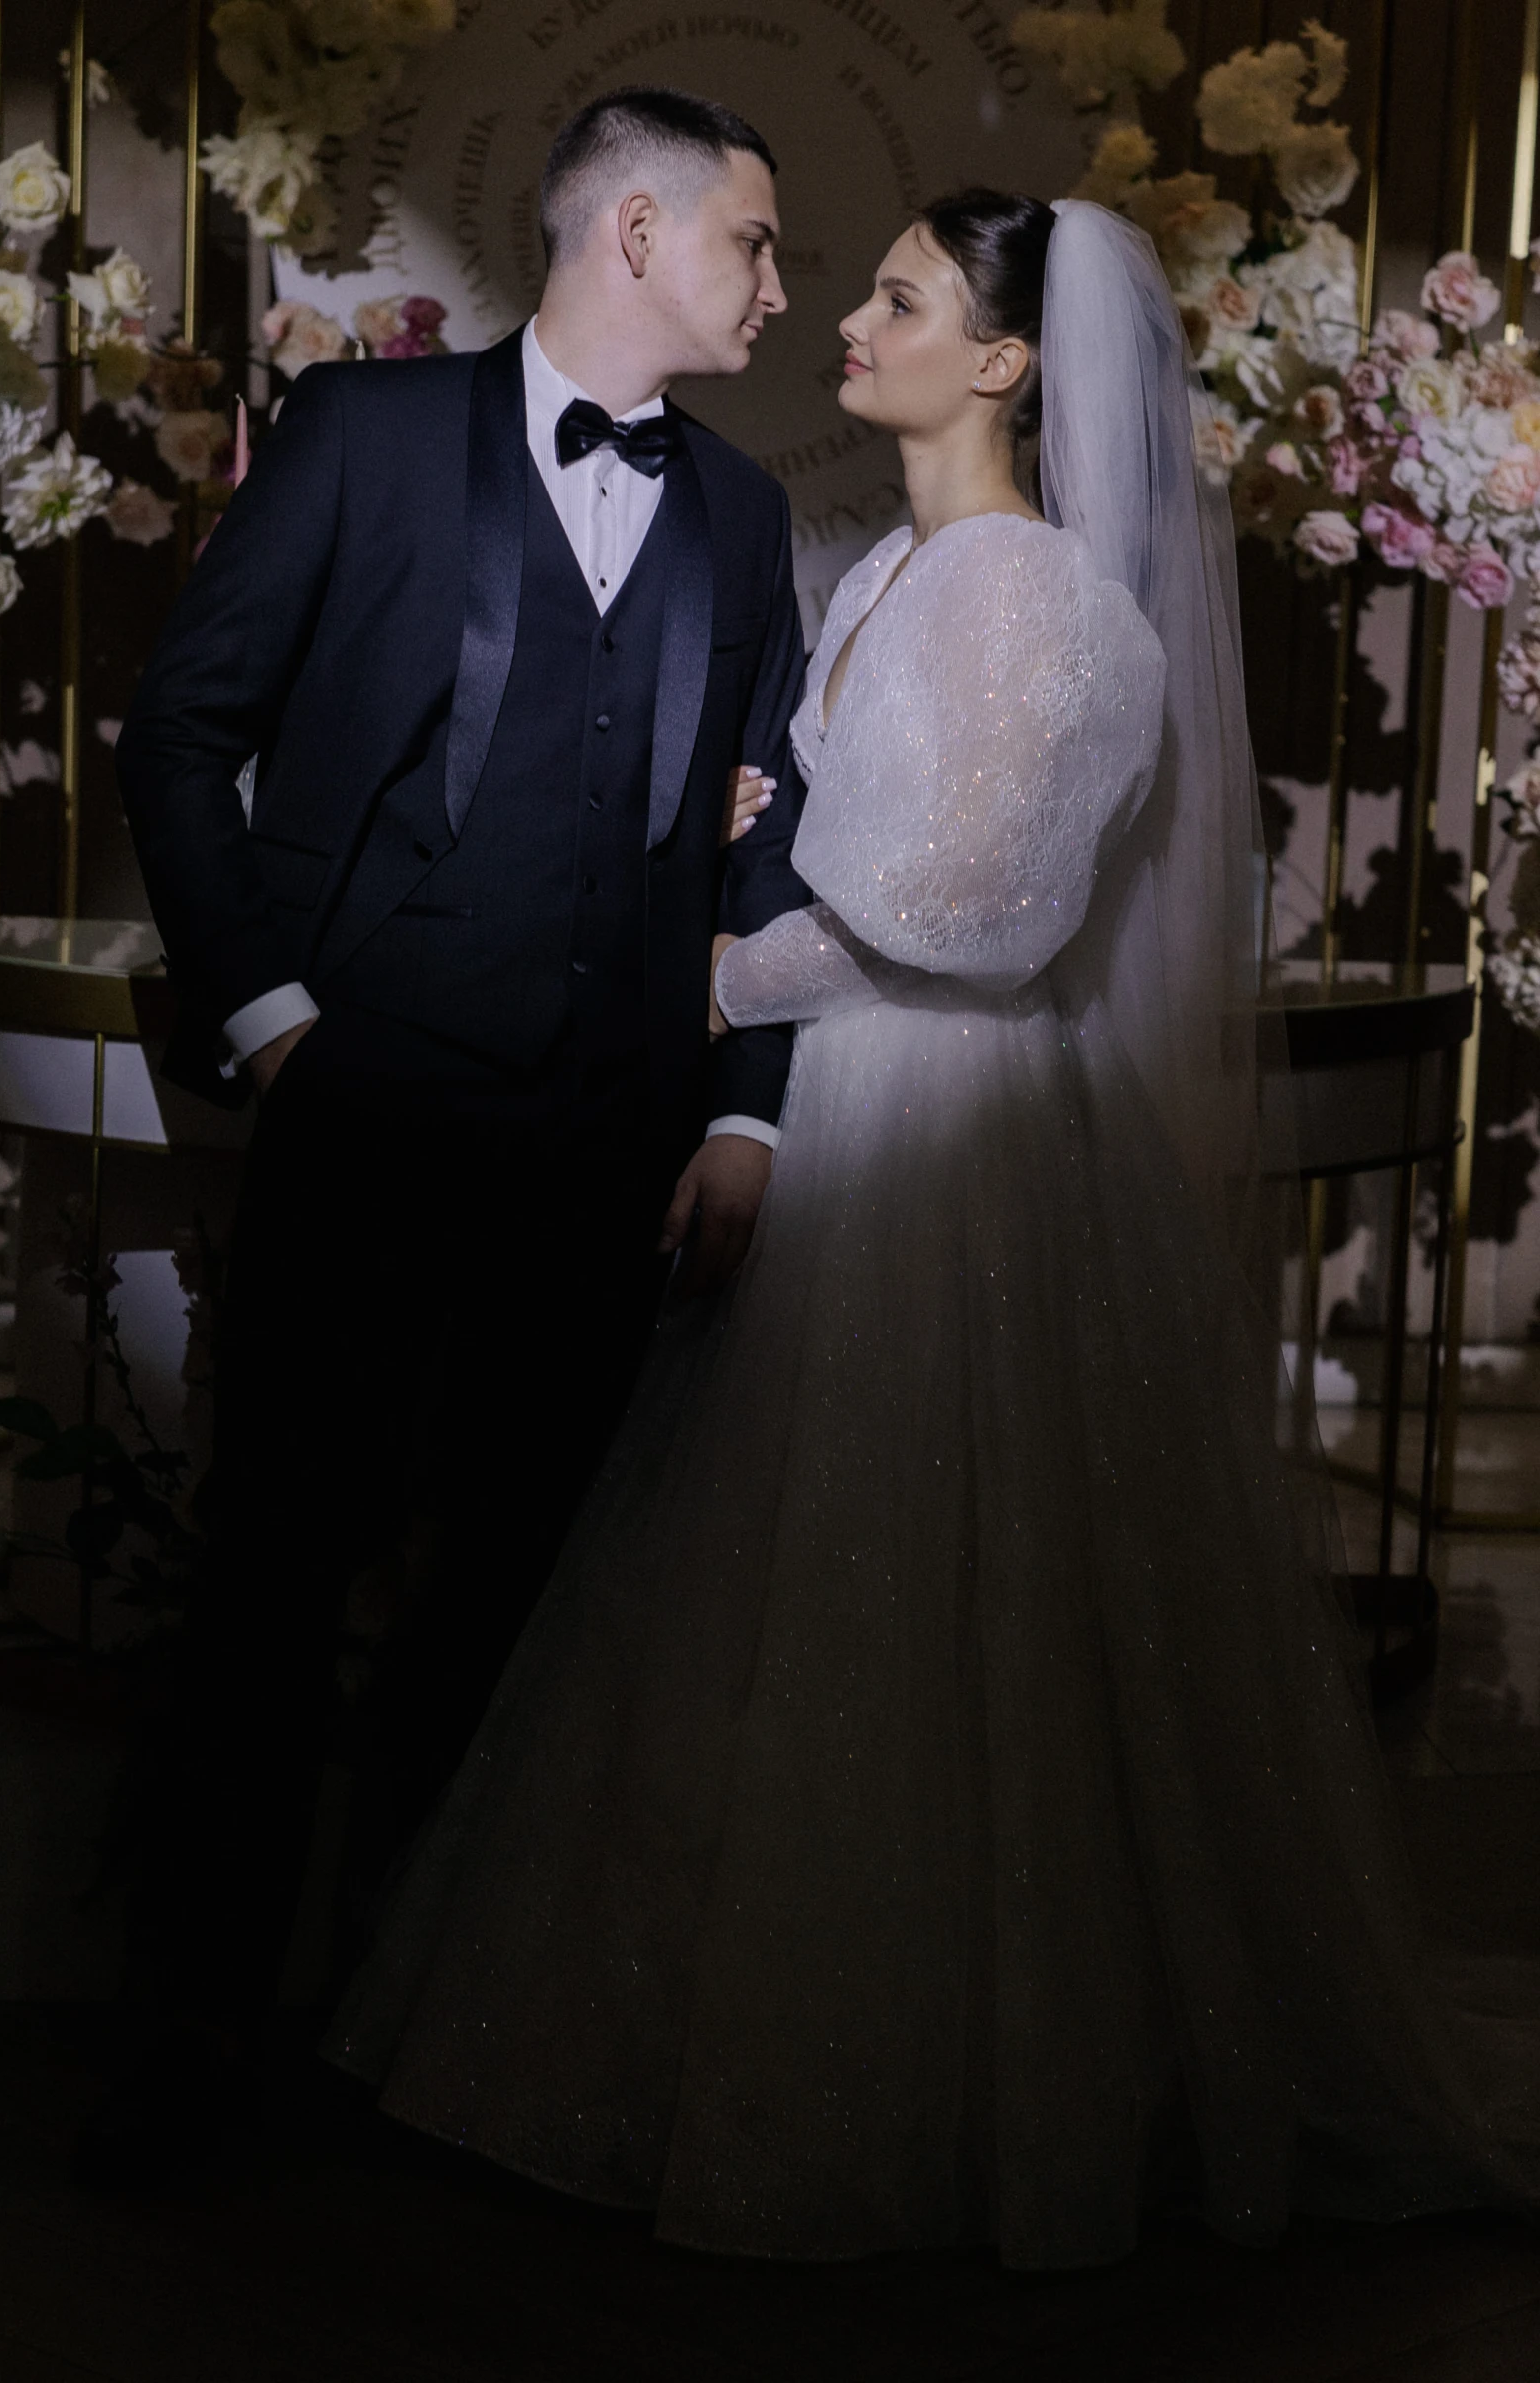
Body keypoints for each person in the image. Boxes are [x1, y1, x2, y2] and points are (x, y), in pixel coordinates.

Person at [333, 193, 1540, 2267]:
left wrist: (702, 976)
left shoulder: (1048, 601)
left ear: (999, 360)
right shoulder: (886, 568)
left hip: (955, 1134)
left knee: (951, 1595)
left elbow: (977, 915)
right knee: (774, 1596)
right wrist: (761, 854)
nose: (845, 320)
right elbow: (847, 838)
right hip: (834, 1118)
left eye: (895, 297)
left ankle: (980, 2080)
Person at [93, 85, 808, 2178]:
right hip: (367, 1117)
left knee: (506, 1613)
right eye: (756, 242)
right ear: (638, 234)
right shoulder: (368, 438)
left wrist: (745, 1116)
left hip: (607, 1151)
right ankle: (187, 2064)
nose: (780, 287)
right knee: (271, 1588)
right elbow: (184, 728)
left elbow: (764, 845)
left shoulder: (744, 512)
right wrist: (276, 1022)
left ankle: (417, 2059)